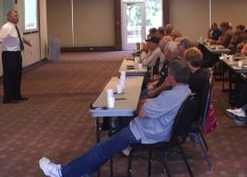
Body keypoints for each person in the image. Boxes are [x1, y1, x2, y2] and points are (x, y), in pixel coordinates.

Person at [38, 60, 192, 177]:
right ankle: (83, 170)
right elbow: (151, 106)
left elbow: (141, 112)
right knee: (105, 148)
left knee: (102, 148)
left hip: (146, 132)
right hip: (157, 129)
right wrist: (150, 99)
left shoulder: (169, 96)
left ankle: (62, 172)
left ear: (171, 77)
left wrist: (141, 103)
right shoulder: (186, 91)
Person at [0, 9, 33, 104]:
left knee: (17, 75)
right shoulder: (6, 28)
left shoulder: (16, 27)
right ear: (9, 17)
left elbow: (19, 37)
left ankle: (17, 95)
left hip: (17, 54)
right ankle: (8, 98)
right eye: (15, 15)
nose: (17, 17)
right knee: (9, 76)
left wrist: (26, 42)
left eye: (18, 15)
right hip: (9, 55)